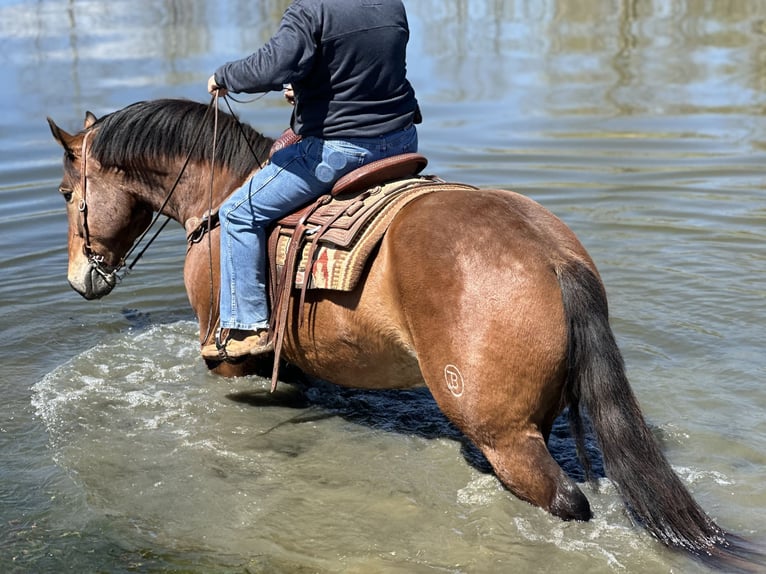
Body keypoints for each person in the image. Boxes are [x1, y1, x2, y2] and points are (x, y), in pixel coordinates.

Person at [201, 0, 421, 361]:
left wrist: (224, 76)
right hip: (401, 140)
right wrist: (305, 87)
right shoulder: (390, 5)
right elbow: (367, 68)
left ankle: (246, 326)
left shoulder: (311, 9)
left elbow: (273, 66)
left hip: (340, 151)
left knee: (238, 213)